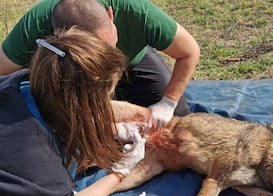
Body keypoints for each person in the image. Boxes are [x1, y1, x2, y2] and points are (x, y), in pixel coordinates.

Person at [0, 27, 145, 196]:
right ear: (82, 106)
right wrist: (120, 171)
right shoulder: (33, 158)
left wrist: (110, 129)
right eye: (104, 101)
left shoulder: (17, 84)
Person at [0, 0, 200, 128]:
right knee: (78, 138)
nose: (109, 56)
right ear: (62, 38)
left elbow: (189, 51)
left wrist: (168, 102)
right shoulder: (34, 26)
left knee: (175, 122)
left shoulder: (139, 12)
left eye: (110, 45)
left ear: (110, 15)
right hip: (75, 75)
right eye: (100, 53)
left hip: (134, 61)